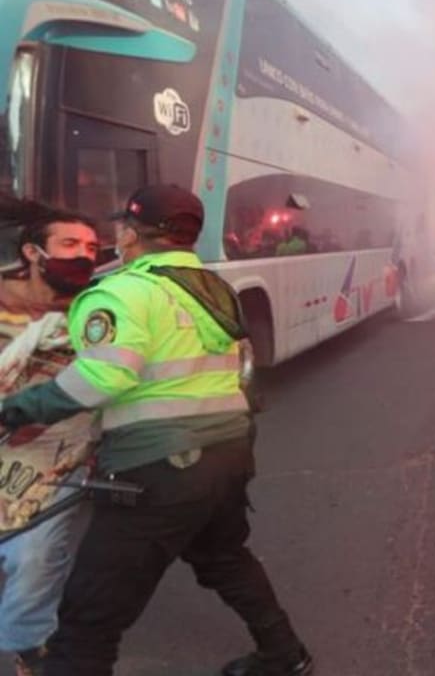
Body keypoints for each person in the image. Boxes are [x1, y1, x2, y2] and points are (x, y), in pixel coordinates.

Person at [0, 185, 311, 676]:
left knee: (86, 623)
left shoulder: (122, 291)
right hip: (228, 450)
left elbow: (105, 376)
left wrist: (15, 410)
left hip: (160, 467)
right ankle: (284, 656)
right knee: (223, 558)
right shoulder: (212, 286)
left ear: (127, 234)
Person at [0, 211, 99, 676]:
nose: (83, 254)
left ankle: (29, 644)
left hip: (58, 449)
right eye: (70, 244)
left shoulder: (95, 311)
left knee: (35, 555)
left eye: (91, 248)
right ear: (32, 253)